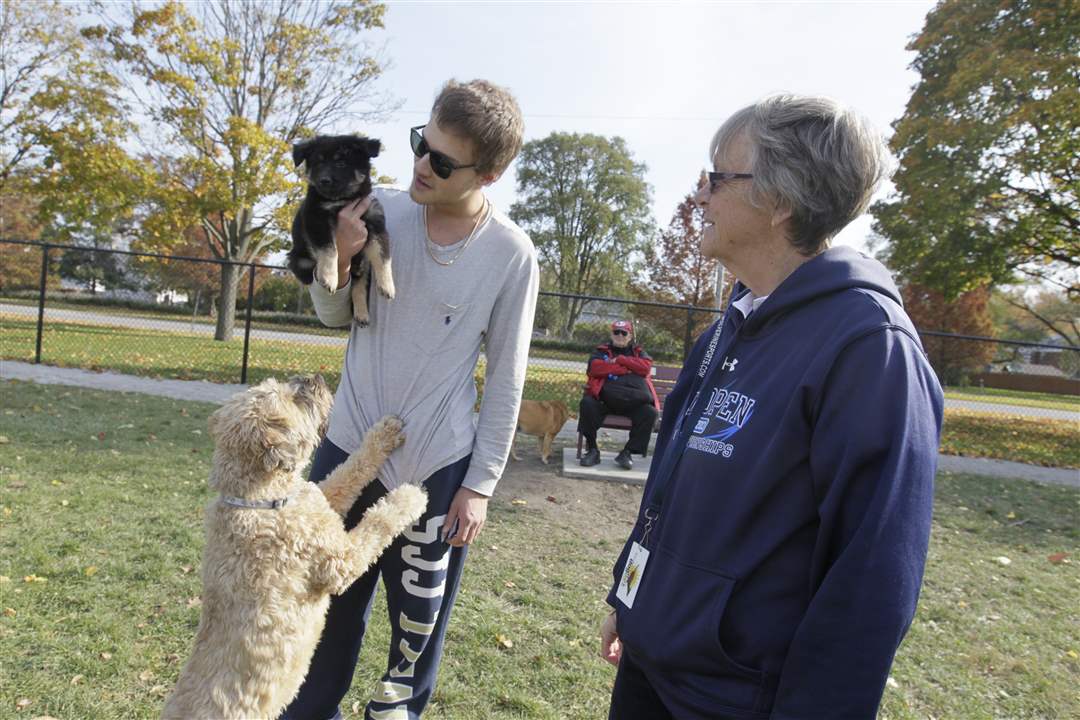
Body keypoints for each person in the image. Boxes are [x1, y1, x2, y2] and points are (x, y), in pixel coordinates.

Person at [599, 94, 944, 719]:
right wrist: (630, 598)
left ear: (780, 198)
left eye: (717, 176)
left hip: (738, 697)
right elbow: (670, 489)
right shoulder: (730, 324)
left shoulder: (869, 348)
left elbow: (873, 578)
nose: (700, 194)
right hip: (652, 663)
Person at [281, 79, 538, 720]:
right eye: (422, 144)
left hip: (437, 469)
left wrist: (479, 485)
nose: (422, 165)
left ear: (493, 172)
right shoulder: (377, 211)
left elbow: (506, 376)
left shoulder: (511, 255)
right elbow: (334, 317)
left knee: (413, 641)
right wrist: (337, 258)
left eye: (443, 161)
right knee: (320, 615)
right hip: (346, 452)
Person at [578, 320, 659, 470]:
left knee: (650, 413)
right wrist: (625, 369)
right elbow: (595, 368)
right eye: (616, 332)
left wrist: (621, 360)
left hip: (633, 403)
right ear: (611, 334)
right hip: (605, 401)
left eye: (624, 333)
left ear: (630, 336)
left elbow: (645, 368)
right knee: (587, 404)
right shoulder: (601, 351)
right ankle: (593, 450)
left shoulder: (638, 352)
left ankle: (627, 452)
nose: (620, 336)